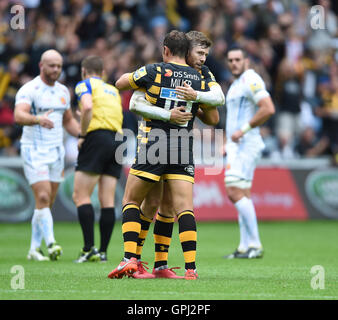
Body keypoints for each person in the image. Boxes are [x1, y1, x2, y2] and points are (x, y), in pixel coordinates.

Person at [107, 30, 210, 280]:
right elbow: (214, 112)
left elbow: (120, 84)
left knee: (131, 200)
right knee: (183, 209)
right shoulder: (199, 77)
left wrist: (140, 83)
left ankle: (129, 259)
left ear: (165, 50)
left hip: (154, 143)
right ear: (186, 52)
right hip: (183, 146)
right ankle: (190, 269)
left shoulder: (153, 71)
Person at [14, 49, 80, 261]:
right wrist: (37, 119)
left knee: (46, 204)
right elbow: (18, 115)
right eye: (52, 65)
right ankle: (51, 244)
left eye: (59, 66)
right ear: (41, 66)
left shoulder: (62, 91)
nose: (56, 69)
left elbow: (68, 120)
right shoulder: (30, 89)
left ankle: (34, 249)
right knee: (42, 197)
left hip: (56, 152)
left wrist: (84, 135)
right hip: (34, 150)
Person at [222, 46, 275, 259]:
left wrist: (242, 131)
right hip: (237, 145)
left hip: (247, 144)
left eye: (238, 59)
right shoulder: (235, 84)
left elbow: (268, 108)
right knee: (242, 194)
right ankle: (244, 246)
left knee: (233, 191)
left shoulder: (251, 79)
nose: (234, 63)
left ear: (247, 61)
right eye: (230, 60)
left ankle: (255, 244)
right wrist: (228, 141)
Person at [72, 56, 124, 263]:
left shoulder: (84, 84)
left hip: (96, 138)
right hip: (117, 140)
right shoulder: (113, 90)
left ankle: (87, 249)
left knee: (80, 195)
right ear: (102, 72)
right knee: (107, 200)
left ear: (84, 70)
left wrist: (82, 134)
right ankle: (102, 252)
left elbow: (86, 108)